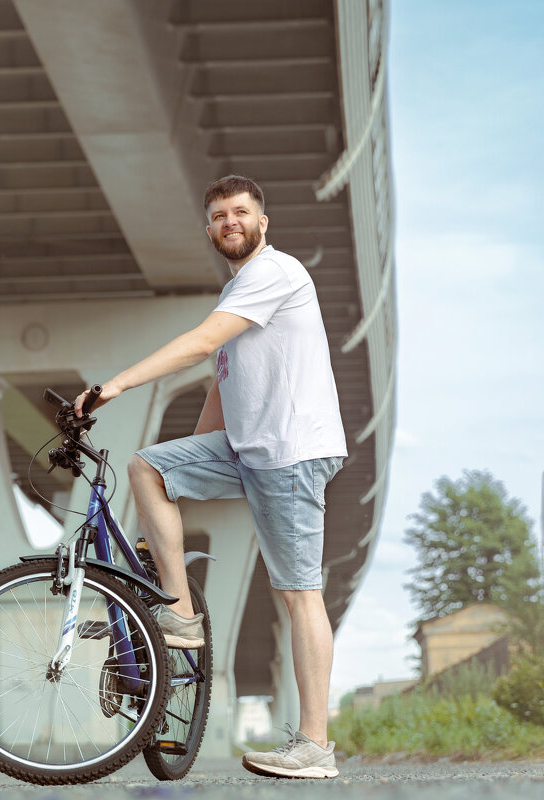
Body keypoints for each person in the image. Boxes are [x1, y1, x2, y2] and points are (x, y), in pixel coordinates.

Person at [74, 175, 347, 780]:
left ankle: (315, 747)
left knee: (298, 594)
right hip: (250, 450)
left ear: (262, 222)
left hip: (290, 454)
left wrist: (112, 386)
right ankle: (180, 612)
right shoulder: (237, 297)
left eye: (242, 212)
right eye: (221, 215)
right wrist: (184, 475)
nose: (232, 222)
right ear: (210, 230)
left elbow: (200, 346)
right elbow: (221, 395)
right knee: (149, 466)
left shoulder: (275, 274)